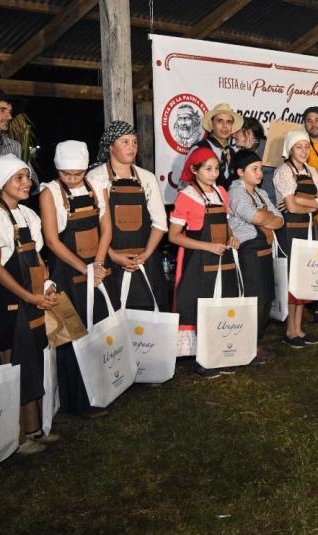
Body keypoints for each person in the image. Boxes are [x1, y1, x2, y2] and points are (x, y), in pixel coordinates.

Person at [0, 154, 57, 454]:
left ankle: (35, 428)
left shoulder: (27, 214)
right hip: (10, 299)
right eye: (19, 178)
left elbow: (36, 258)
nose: (27, 183)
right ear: (0, 185)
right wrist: (26, 296)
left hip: (33, 296)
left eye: (27, 177)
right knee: (15, 360)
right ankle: (18, 436)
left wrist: (46, 285)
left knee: (33, 356)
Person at [38, 141, 112, 418]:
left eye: (77, 174)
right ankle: (77, 401)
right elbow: (53, 241)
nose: (72, 179)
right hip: (67, 273)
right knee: (70, 335)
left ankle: (104, 389)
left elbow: (106, 228)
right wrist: (85, 269)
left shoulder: (95, 187)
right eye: (66, 174)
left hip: (96, 270)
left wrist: (100, 263)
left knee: (99, 329)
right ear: (57, 170)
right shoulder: (50, 193)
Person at [168, 146, 241, 377]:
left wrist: (232, 236)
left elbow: (225, 223)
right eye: (208, 169)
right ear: (194, 170)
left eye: (216, 168)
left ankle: (219, 352)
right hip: (196, 259)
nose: (213, 173)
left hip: (221, 256)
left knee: (220, 301)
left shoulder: (221, 193)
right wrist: (208, 246)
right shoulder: (186, 196)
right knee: (200, 304)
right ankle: (202, 358)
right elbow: (174, 235)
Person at [88, 121, 171, 312]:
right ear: (110, 146)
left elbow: (160, 223)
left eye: (135, 142)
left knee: (147, 319)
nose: (132, 147)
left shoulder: (147, 178)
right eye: (125, 142)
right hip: (110, 261)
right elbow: (94, 226)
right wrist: (113, 256)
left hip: (144, 262)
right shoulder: (95, 178)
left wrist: (145, 255)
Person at [227, 149, 283, 363]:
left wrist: (264, 218)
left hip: (264, 248)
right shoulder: (236, 193)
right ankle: (246, 345)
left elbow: (279, 220)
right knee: (253, 298)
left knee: (266, 296)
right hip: (248, 251)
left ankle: (255, 342)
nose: (260, 173)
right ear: (240, 172)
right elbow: (253, 215)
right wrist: (264, 217)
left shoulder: (261, 193)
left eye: (260, 168)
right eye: (255, 169)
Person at [272, 130, 318, 349]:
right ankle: (289, 330)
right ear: (289, 149)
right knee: (291, 279)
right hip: (288, 230)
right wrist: (311, 202)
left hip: (307, 229)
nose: (304, 151)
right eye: (298, 147)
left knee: (303, 278)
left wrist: (301, 198)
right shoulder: (282, 172)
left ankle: (298, 329)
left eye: (307, 146)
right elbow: (292, 207)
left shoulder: (312, 170)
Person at [188, 103, 243, 189]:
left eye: (229, 122)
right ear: (212, 124)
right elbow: (187, 180)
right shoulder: (199, 149)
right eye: (220, 121)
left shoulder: (233, 152)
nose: (225, 126)